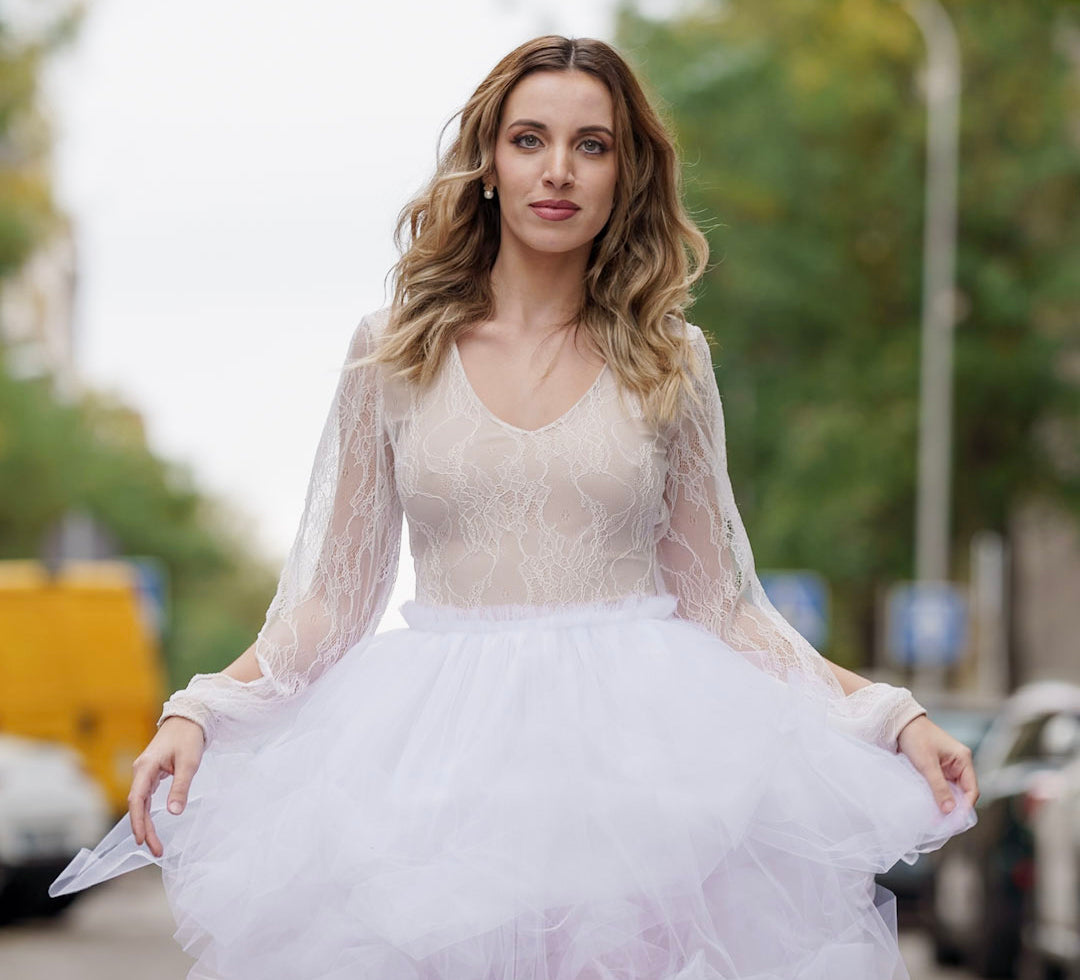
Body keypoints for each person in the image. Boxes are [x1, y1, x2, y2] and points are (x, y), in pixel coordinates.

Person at [51, 34, 978, 980]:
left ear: (626, 174)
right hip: (438, 776)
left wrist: (890, 715)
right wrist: (200, 711)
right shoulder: (393, 352)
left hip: (634, 776)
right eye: (530, 139)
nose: (559, 171)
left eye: (592, 145)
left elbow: (723, 604)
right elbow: (333, 599)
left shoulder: (671, 359)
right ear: (488, 163)